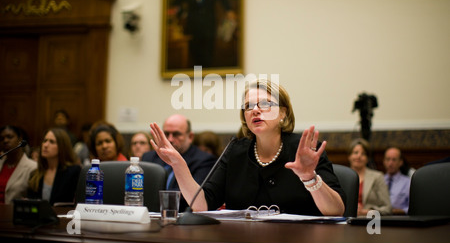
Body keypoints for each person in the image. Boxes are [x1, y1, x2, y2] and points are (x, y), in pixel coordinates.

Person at [148, 80, 346, 216]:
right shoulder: (235, 151)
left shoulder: (305, 151)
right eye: (249, 106)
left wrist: (309, 177)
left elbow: (337, 210)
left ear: (283, 113)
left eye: (265, 104)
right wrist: (179, 165)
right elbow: (202, 205)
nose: (256, 110)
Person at [142, 114, 216, 211]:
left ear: (190, 137)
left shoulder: (204, 160)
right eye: (166, 134)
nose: (170, 139)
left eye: (176, 134)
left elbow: (192, 198)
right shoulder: (148, 157)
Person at [169, 0, 236, 67]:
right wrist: (182, 13)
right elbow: (176, 3)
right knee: (195, 55)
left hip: (209, 27)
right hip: (193, 27)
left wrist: (229, 11)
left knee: (208, 55)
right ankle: (196, 78)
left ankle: (207, 76)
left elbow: (224, 0)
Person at [27, 128, 81, 205]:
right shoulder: (35, 174)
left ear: (62, 146)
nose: (45, 145)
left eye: (51, 142)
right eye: (45, 141)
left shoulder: (73, 172)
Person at [348, 138, 392, 216]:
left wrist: (368, 212)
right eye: (355, 152)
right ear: (349, 156)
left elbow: (387, 208)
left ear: (368, 158)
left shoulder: (377, 177)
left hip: (369, 222)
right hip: (345, 221)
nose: (359, 156)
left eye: (363, 154)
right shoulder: (341, 176)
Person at [0, 125, 37, 204]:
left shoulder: (32, 167)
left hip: (14, 214)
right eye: (1, 139)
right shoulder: (0, 164)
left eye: (9, 137)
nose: (5, 141)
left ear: (20, 139)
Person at [383, 147, 411, 215]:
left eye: (394, 160)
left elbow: (414, 207)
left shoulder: (408, 182)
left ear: (400, 162)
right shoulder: (379, 180)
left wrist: (401, 211)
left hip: (399, 219)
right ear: (384, 161)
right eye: (388, 159)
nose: (390, 163)